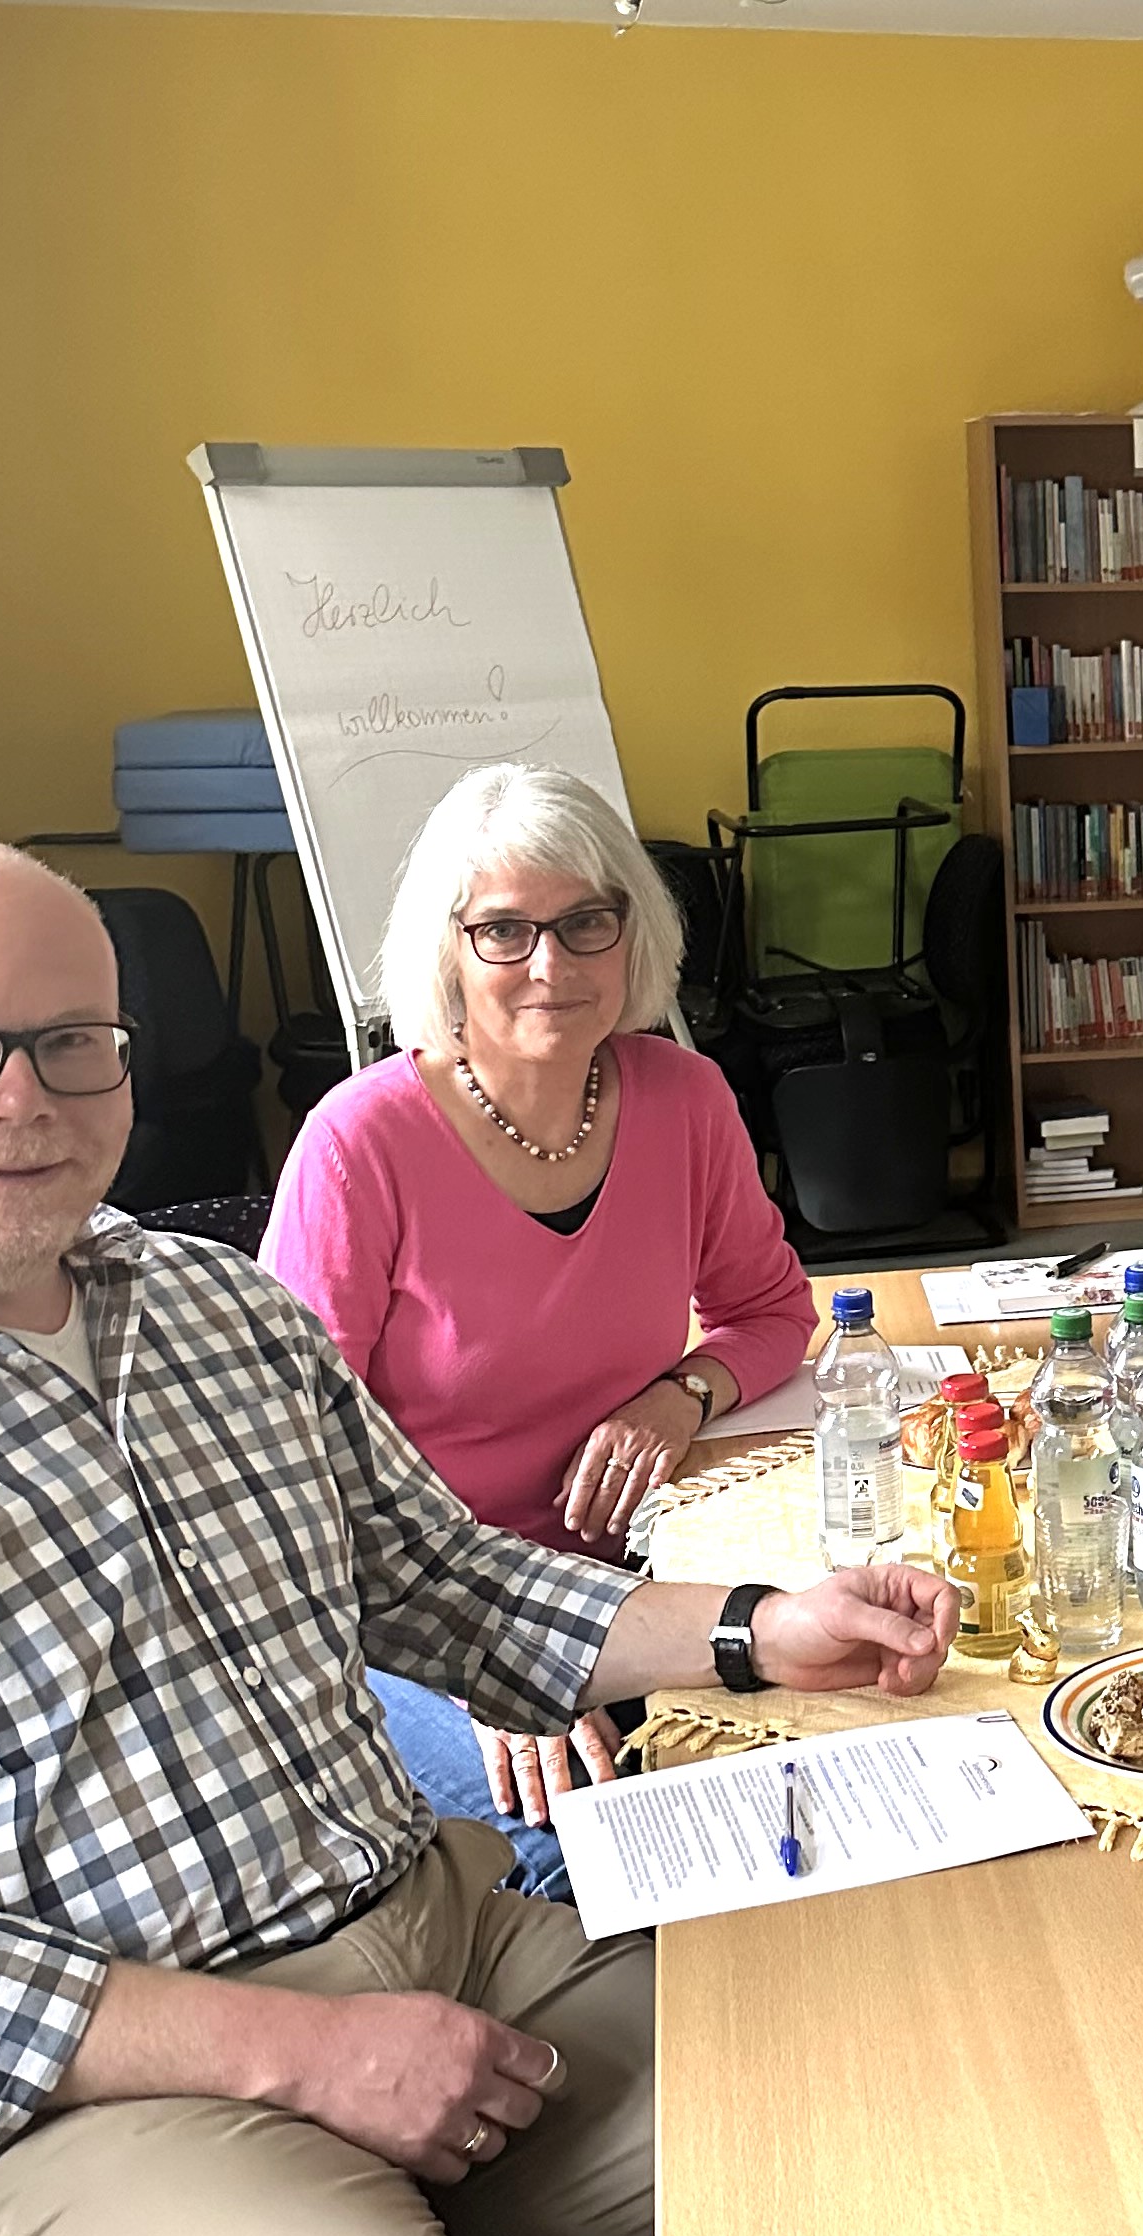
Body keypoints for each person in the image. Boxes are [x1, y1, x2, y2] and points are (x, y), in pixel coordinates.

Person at [0, 840, 1111, 2236]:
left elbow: (443, 1583)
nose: (24, 1098)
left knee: (910, 2217)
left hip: (433, 1938)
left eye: (74, 1042)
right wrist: (305, 2054)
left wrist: (759, 1631)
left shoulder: (210, 1309)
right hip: (53, 2115)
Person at [263, 764, 814, 1904]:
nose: (551, 966)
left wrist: (680, 1396)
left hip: (637, 1571)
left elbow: (770, 1311)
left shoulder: (684, 1097)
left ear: (632, 933)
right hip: (409, 1617)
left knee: (819, 1749)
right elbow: (282, 1474)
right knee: (589, 1856)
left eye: (585, 923)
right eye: (504, 930)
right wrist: (482, 1664)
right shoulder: (358, 1145)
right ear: (448, 950)